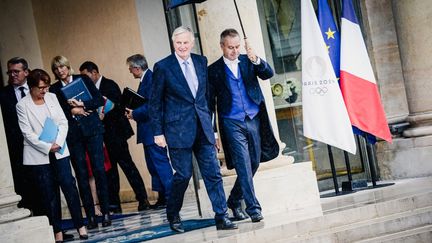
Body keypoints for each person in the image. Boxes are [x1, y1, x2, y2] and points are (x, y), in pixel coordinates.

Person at [149, 26, 237, 233]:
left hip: (203, 128)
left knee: (213, 173)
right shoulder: (163, 66)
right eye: (178, 43)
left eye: (185, 42)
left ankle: (221, 215)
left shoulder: (201, 61)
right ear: (173, 44)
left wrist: (213, 130)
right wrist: (157, 132)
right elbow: (155, 103)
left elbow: (206, 99)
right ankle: (173, 213)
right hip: (177, 130)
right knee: (183, 175)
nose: (182, 46)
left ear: (192, 43)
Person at [208, 28, 278, 223]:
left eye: (237, 46)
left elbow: (268, 74)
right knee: (243, 165)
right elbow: (208, 104)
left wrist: (256, 59)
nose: (235, 51)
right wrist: (213, 133)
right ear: (222, 46)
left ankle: (234, 199)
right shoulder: (213, 70)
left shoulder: (248, 61)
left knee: (254, 162)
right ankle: (254, 209)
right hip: (231, 121)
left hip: (253, 118)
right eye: (230, 47)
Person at [16, 69, 88, 242]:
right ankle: (57, 231)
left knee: (69, 187)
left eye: (46, 87)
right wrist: (47, 147)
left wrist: (58, 142)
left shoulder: (52, 97)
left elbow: (63, 122)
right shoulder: (22, 105)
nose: (44, 91)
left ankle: (80, 226)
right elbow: (27, 133)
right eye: (41, 88)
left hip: (60, 150)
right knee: (49, 194)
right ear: (31, 87)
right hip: (38, 155)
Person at [79, 61, 151, 212]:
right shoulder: (88, 90)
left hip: (116, 134)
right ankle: (115, 204)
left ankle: (143, 199)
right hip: (103, 136)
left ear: (94, 72)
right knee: (110, 172)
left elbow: (118, 107)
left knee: (127, 166)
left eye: (85, 75)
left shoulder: (109, 85)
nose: (83, 79)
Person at [49, 55, 111, 228]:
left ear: (68, 67)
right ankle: (90, 216)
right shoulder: (53, 89)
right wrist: (72, 111)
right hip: (73, 134)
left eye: (62, 66)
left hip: (93, 131)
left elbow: (98, 100)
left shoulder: (82, 79)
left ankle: (105, 212)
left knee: (99, 170)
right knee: (81, 174)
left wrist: (82, 105)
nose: (60, 70)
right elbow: (56, 113)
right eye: (56, 68)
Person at [124, 54, 173, 209]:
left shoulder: (150, 79)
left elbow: (152, 105)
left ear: (137, 68)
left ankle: (170, 196)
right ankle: (162, 197)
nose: (130, 72)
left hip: (153, 130)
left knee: (160, 164)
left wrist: (134, 113)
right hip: (148, 131)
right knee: (153, 166)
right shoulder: (146, 79)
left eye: (131, 68)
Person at [0, 57, 41, 213]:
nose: (12, 75)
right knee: (25, 189)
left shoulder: (37, 89)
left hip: (40, 146)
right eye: (9, 72)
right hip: (18, 150)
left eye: (16, 71)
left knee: (45, 188)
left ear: (26, 72)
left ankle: (53, 226)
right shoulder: (3, 95)